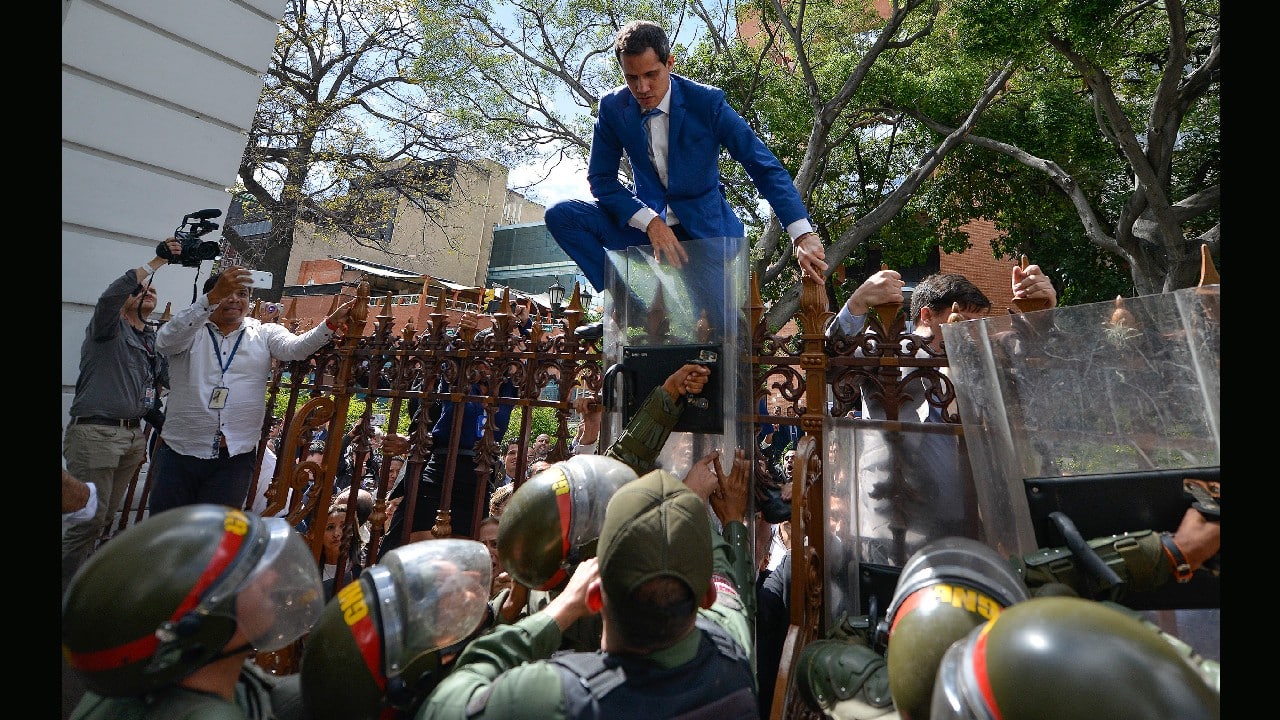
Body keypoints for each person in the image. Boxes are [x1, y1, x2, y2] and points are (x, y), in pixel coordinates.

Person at [416, 452, 759, 719]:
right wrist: (707, 513)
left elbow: (443, 705)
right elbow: (723, 577)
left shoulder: (556, 696)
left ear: (594, 595)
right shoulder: (732, 646)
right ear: (706, 597)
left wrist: (559, 611)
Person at [545, 19, 826, 336]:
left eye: (651, 75)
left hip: (703, 235)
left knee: (725, 331)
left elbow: (763, 165)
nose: (642, 88)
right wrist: (650, 221)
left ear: (669, 63)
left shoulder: (707, 102)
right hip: (646, 229)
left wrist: (801, 234)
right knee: (562, 215)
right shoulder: (613, 107)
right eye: (632, 78)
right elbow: (601, 180)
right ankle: (628, 307)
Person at [824, 266, 1058, 562]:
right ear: (926, 316)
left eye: (978, 324)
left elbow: (1040, 381)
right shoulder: (886, 351)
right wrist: (856, 305)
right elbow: (831, 365)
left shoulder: (984, 360)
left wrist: (1042, 319)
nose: (972, 334)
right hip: (897, 528)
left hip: (975, 526)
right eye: (961, 322)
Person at [63, 504, 324, 719]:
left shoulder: (154, 675)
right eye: (249, 576)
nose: (272, 577)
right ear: (198, 627)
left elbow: (277, 695)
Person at [147, 267, 355, 515]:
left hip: (234, 457)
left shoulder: (263, 333)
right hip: (180, 451)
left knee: (216, 534)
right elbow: (164, 342)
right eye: (226, 293)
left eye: (242, 294)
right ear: (210, 297)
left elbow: (296, 349)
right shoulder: (189, 331)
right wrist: (208, 301)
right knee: (168, 531)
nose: (235, 299)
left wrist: (330, 323)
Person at [62, 239, 180, 592]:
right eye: (140, 289)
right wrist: (156, 263)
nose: (147, 291)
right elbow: (111, 296)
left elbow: (169, 381)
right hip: (96, 434)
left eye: (152, 290)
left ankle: (77, 590)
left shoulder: (151, 340)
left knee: (103, 521)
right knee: (87, 520)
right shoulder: (108, 328)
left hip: (131, 437)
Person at [379, 314, 518, 555]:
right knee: (422, 550)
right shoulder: (457, 377)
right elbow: (450, 354)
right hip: (441, 470)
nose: (490, 365)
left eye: (498, 357)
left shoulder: (506, 389)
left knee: (459, 557)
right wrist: (463, 333)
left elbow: (532, 360)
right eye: (485, 357)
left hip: (478, 475)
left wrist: (519, 328)